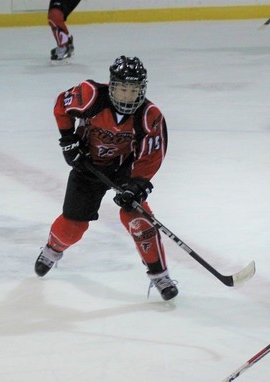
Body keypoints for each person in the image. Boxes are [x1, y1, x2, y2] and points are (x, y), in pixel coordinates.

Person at [34, 55, 178, 301]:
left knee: (139, 220)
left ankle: (159, 274)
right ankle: (52, 249)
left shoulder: (149, 115)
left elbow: (151, 155)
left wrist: (137, 184)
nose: (127, 95)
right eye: (122, 89)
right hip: (88, 165)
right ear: (112, 86)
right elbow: (62, 106)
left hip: (125, 169)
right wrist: (68, 141)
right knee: (72, 228)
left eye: (133, 90)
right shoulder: (90, 95)